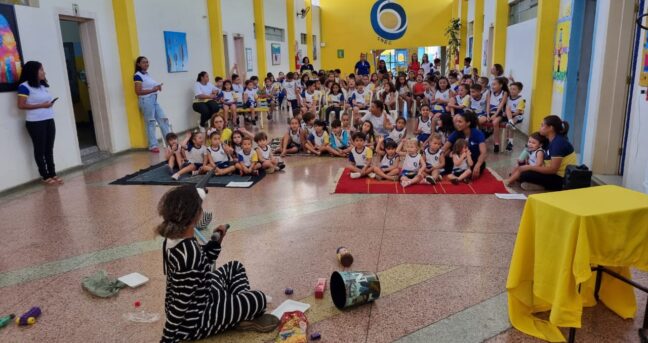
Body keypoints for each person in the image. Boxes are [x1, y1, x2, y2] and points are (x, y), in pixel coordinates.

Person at [158, 185, 276, 343]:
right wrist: (167, 338)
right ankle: (239, 313)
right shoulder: (188, 253)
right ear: (196, 215)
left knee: (235, 267)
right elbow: (181, 303)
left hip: (202, 294)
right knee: (259, 299)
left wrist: (216, 242)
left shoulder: (172, 240)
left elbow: (201, 267)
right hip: (196, 321)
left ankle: (236, 309)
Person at [17, 61, 62, 185]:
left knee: (49, 148)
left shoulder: (42, 86)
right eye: (41, 70)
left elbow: (45, 103)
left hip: (49, 119)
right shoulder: (24, 86)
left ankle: (53, 173)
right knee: (40, 150)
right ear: (33, 72)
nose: (44, 72)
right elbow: (21, 105)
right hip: (35, 122)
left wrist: (49, 104)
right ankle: (45, 175)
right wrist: (42, 105)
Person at [518, 115, 577, 191]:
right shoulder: (549, 139)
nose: (540, 127)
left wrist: (530, 167)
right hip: (550, 172)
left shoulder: (558, 143)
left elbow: (553, 170)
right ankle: (538, 184)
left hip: (560, 179)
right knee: (520, 171)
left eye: (542, 125)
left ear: (551, 128)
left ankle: (543, 187)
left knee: (524, 174)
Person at [134, 56, 171, 153]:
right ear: (138, 64)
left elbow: (150, 86)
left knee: (163, 120)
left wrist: (157, 87)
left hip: (154, 100)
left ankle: (170, 142)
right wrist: (152, 89)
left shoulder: (147, 74)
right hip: (146, 101)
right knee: (150, 123)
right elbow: (138, 91)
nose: (146, 64)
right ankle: (152, 145)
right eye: (143, 62)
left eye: (147, 62)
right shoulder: (137, 75)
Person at [443, 111, 487, 179]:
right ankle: (458, 175)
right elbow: (444, 148)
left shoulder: (478, 134)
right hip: (459, 161)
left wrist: (477, 165)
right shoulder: (456, 133)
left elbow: (483, 153)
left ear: (468, 123)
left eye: (460, 122)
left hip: (473, 162)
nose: (457, 124)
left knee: (472, 172)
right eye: (456, 121)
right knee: (444, 158)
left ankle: (458, 176)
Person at [484, 77, 509, 153]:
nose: (492, 86)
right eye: (492, 84)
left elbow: (501, 105)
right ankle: (482, 136)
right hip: (489, 112)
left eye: (494, 84)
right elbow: (488, 104)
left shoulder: (504, 93)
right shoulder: (490, 92)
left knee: (495, 122)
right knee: (479, 120)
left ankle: (496, 143)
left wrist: (495, 115)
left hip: (499, 113)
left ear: (501, 85)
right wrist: (488, 115)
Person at [504, 81, 526, 152]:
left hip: (518, 116)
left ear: (519, 91)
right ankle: (509, 140)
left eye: (514, 89)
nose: (511, 91)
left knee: (510, 124)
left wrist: (508, 114)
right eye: (511, 89)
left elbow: (517, 112)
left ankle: (510, 143)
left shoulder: (521, 100)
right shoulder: (508, 97)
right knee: (509, 125)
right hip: (509, 115)